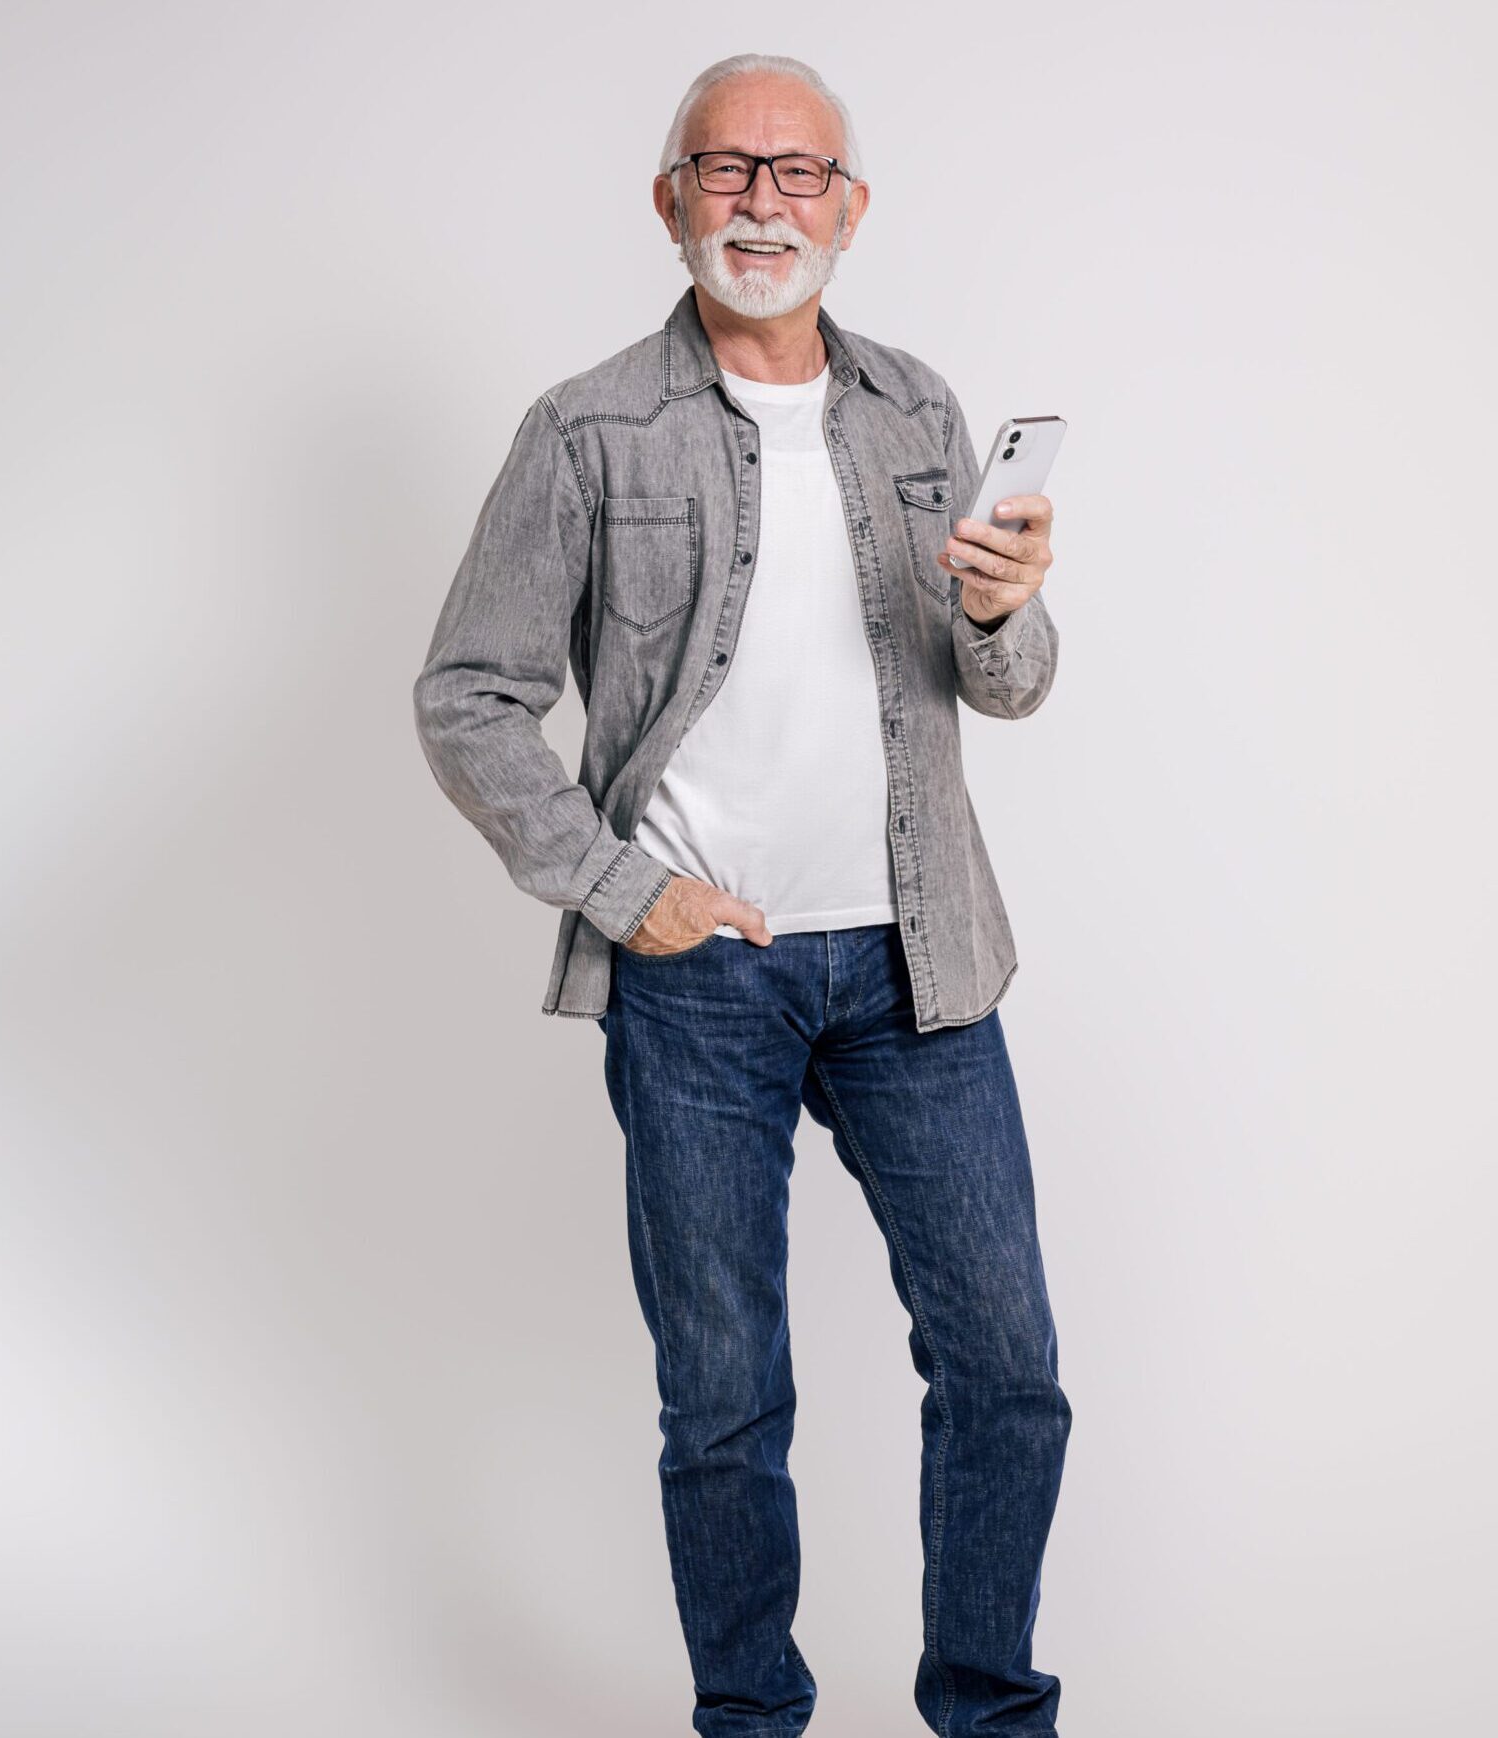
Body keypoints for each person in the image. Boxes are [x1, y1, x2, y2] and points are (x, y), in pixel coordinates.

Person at [410, 52, 1073, 1738]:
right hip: (701, 973)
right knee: (723, 1398)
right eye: (728, 168)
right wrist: (621, 890)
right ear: (670, 200)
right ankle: (752, 1721)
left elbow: (1002, 686)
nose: (763, 202)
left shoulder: (919, 409)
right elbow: (470, 694)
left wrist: (1003, 607)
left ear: (852, 210)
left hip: (921, 960)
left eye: (800, 174)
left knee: (1005, 1369)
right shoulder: (585, 431)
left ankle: (992, 1713)